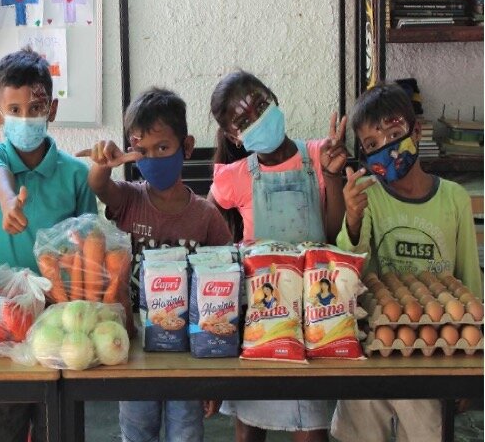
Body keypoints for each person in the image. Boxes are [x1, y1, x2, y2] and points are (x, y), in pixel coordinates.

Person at [79, 87, 232, 442]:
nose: (152, 158)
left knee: (186, 432)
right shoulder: (130, 198)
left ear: (187, 147)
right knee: (137, 431)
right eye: (141, 151)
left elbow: (225, 284)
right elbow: (97, 185)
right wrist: (104, 162)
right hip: (134, 346)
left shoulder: (206, 216)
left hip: (189, 353)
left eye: (162, 148)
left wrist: (215, 374)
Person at [331, 83, 482, 442]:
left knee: (426, 432)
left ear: (416, 132)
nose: (384, 148)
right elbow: (349, 269)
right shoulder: (367, 195)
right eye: (371, 145)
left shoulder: (454, 199)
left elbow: (469, 285)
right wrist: (351, 218)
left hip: (430, 358)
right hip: (370, 350)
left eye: (394, 134)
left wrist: (472, 360)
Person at [207, 70, 348, 442]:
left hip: (315, 317)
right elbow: (208, 226)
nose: (256, 119)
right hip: (260, 321)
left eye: (260, 105)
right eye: (243, 121)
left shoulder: (319, 155)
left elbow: (332, 233)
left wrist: (333, 177)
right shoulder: (235, 176)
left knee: (310, 430)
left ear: (273, 97)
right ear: (234, 136)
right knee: (249, 430)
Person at [0, 47, 96, 442]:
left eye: (36, 108)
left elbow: (89, 250)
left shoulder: (76, 174)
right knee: (1, 427)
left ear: (52, 109)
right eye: (14, 109)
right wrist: (9, 200)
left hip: (60, 323)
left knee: (56, 426)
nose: (26, 118)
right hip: (1, 323)